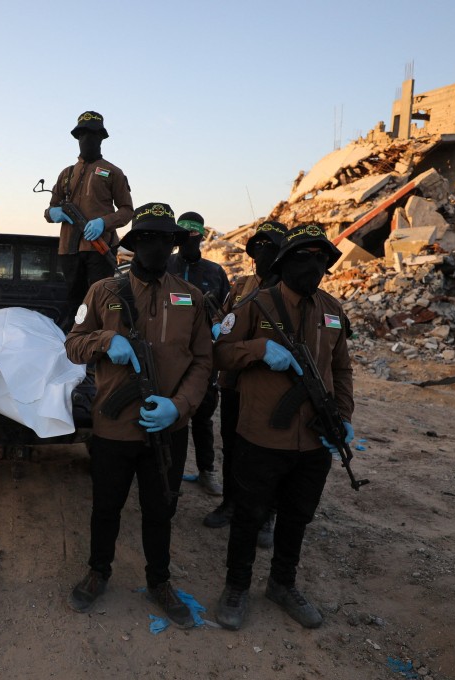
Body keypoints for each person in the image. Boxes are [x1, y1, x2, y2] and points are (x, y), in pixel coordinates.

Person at [64, 202, 213, 628]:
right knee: (106, 507)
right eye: (146, 238)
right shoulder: (103, 292)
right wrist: (105, 341)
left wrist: (178, 407)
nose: (155, 247)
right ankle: (97, 572)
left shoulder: (193, 297)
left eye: (164, 239)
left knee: (160, 509)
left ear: (174, 244)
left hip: (168, 428)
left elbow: (204, 361)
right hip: (113, 427)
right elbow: (73, 344)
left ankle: (159, 581)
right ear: (135, 243)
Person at [211, 223, 354, 631]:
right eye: (304, 257)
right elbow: (216, 352)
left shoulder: (332, 310)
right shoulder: (256, 306)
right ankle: (236, 586)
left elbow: (341, 368)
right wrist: (258, 349)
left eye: (322, 258)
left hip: (315, 439)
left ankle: (282, 583)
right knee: (249, 516)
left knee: (296, 516)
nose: (314, 265)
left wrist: (344, 418)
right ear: (285, 261)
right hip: (260, 436)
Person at [203, 220, 288, 550]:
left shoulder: (288, 291)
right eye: (258, 248)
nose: (262, 254)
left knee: (269, 451)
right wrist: (214, 329)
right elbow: (223, 318)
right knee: (232, 444)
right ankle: (230, 503)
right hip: (234, 381)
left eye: (270, 248)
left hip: (269, 386)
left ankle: (267, 514)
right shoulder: (241, 285)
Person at [44, 111, 133, 330]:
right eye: (83, 134)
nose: (87, 139)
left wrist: (104, 222)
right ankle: (74, 342)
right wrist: (52, 213)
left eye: (93, 134)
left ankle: (98, 343)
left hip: (99, 248)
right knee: (74, 301)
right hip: (69, 249)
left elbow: (127, 210)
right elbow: (50, 210)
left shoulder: (114, 172)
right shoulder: (66, 174)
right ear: (77, 137)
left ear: (101, 137)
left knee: (101, 299)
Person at [166, 211, 230, 497]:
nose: (190, 242)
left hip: (204, 356)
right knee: (171, 416)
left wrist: (220, 327)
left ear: (202, 237)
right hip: (172, 353)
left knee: (203, 418)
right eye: (185, 237)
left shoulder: (215, 272)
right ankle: (169, 473)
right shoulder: (167, 265)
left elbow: (228, 312)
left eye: (195, 237)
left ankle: (207, 472)